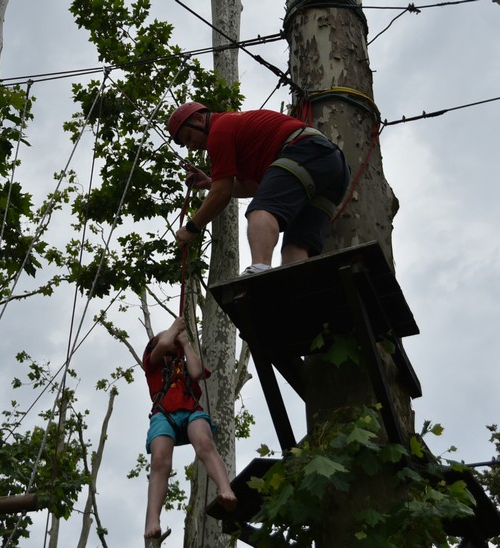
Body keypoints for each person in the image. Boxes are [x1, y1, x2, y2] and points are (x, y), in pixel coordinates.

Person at [168, 102, 350, 275]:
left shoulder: (219, 130)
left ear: (199, 119)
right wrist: (210, 183)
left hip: (305, 150)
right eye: (187, 144)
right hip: (333, 169)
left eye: (189, 137)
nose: (192, 146)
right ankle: (295, 285)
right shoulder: (238, 132)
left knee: (260, 210)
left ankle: (260, 268)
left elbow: (222, 192)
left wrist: (191, 228)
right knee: (296, 242)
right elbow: (251, 187)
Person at [142, 316, 236, 540]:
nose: (171, 340)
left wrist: (185, 344)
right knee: (160, 460)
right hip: (164, 414)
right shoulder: (152, 362)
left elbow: (196, 373)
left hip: (191, 411)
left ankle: (225, 489)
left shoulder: (184, 363)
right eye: (167, 338)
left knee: (204, 443)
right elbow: (164, 343)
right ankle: (152, 519)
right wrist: (175, 327)